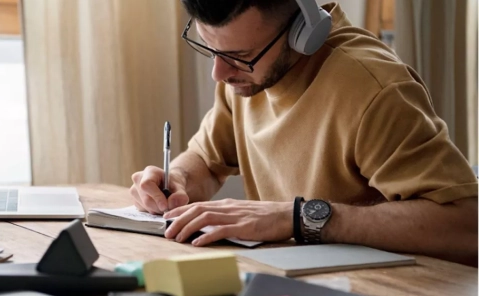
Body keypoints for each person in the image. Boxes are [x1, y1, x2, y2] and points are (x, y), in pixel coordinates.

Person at [129, 0, 478, 265]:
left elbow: (467, 225)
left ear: (302, 32)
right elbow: (206, 160)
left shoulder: (374, 90)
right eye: (210, 48)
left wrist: (299, 218)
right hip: (288, 283)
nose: (218, 74)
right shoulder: (244, 78)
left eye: (239, 55)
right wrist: (178, 182)